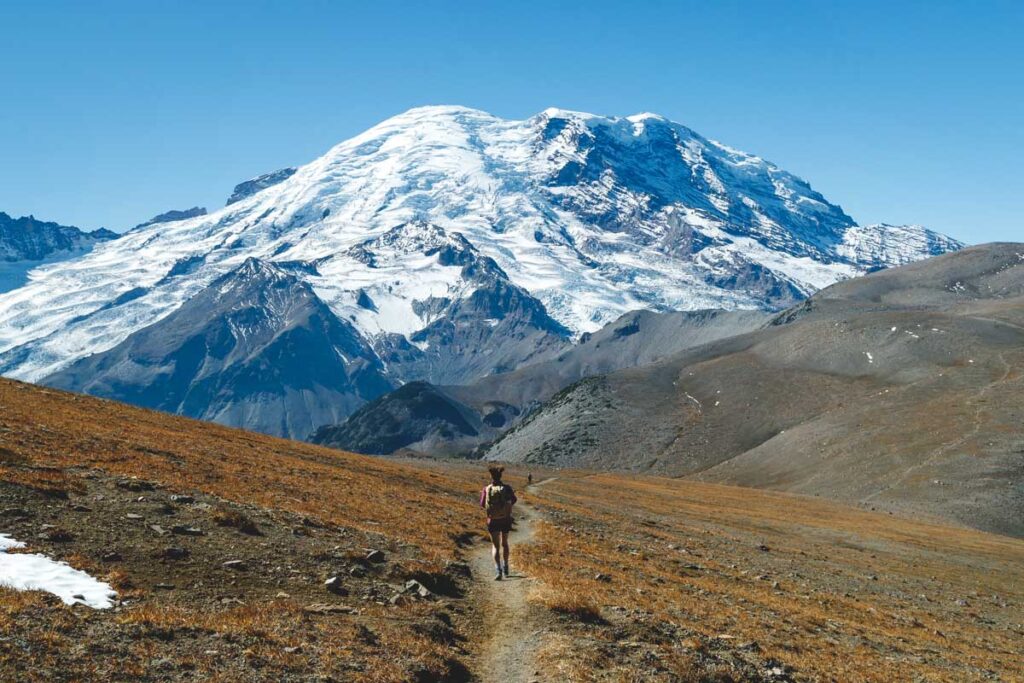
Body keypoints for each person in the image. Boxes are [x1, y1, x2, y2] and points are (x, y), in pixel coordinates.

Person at [480, 465, 517, 580]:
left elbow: (482, 504)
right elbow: (514, 500)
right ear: (501, 476)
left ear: (491, 476)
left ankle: (498, 570)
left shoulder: (486, 489)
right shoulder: (507, 488)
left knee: (495, 546)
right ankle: (506, 567)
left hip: (493, 520)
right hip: (505, 519)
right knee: (505, 543)